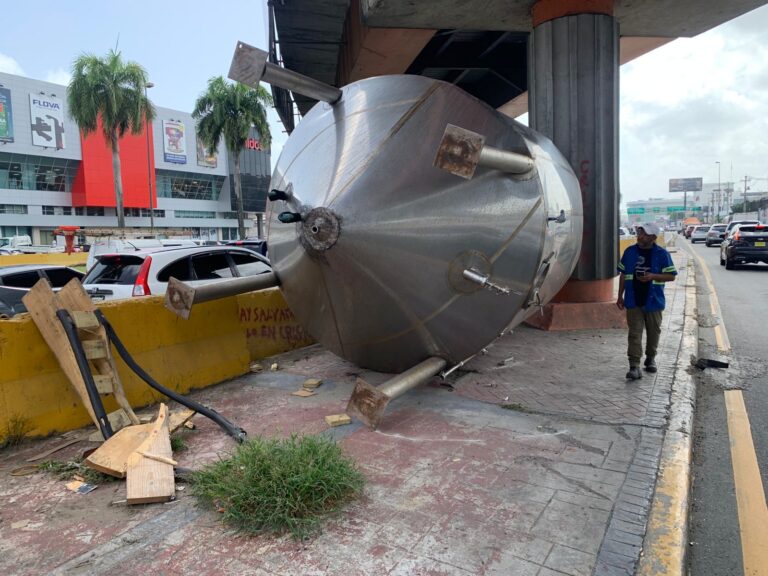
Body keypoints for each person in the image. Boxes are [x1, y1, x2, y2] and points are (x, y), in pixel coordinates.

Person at [616, 222, 677, 380]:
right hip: (633, 299)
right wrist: (619, 296)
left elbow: (671, 276)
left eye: (643, 234)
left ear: (653, 237)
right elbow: (623, 274)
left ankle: (650, 358)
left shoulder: (662, 254)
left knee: (653, 332)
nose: (640, 236)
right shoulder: (629, 252)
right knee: (634, 334)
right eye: (639, 232)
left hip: (654, 301)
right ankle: (634, 366)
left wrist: (653, 276)